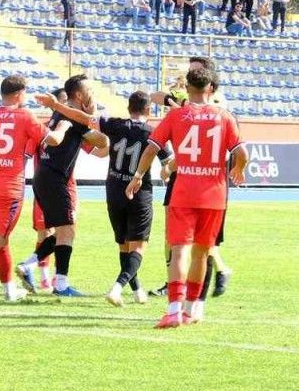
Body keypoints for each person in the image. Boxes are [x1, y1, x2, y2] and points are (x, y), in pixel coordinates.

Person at [126, 63, 247, 327]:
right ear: (211, 88)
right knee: (201, 254)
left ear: (187, 87)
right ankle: (192, 309)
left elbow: (151, 149)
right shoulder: (225, 117)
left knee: (179, 251)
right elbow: (241, 152)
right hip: (214, 196)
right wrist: (239, 169)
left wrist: (137, 176)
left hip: (183, 193)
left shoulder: (176, 116)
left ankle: (174, 310)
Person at [39, 90, 168, 306]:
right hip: (138, 193)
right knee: (138, 247)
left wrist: (58, 106)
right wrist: (168, 171)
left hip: (114, 192)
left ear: (128, 108)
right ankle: (117, 288)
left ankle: (137, 289)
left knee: (123, 245)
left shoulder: (114, 124)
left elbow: (83, 118)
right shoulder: (154, 132)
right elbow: (168, 162)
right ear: (148, 109)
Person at [0, 75, 62, 305]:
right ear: (19, 93)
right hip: (8, 188)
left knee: (2, 239)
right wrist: (64, 127)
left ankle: (9, 290)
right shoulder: (24, 116)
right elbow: (53, 140)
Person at [14, 75, 108, 297]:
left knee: (63, 229)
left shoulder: (61, 113)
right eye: (89, 90)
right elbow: (102, 141)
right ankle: (61, 284)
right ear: (79, 95)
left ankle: (29, 265)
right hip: (56, 179)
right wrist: (94, 117)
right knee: (67, 230)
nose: (92, 94)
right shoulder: (72, 116)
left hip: (44, 176)